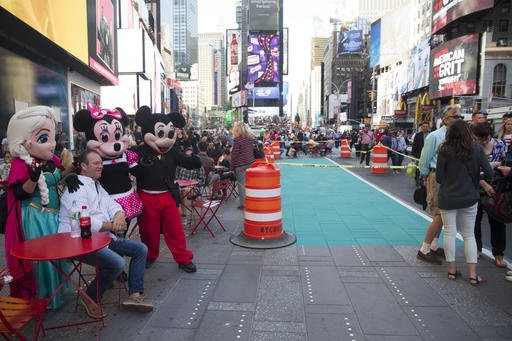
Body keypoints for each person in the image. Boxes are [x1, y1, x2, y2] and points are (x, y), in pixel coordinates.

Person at [59, 149, 153, 318]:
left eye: (101, 163)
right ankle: (90, 297)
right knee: (117, 263)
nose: (100, 166)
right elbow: (83, 221)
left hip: (102, 238)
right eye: (96, 163)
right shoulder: (77, 187)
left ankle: (135, 295)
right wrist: (112, 225)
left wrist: (119, 215)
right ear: (83, 166)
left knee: (141, 249)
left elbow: (112, 204)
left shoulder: (96, 184)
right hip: (79, 241)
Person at [4, 106, 73, 309]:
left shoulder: (52, 160)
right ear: (23, 141)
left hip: (54, 217)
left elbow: (58, 178)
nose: (51, 144)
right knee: (41, 260)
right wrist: (33, 178)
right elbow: (19, 194)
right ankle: (42, 298)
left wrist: (71, 175)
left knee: (57, 257)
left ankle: (55, 295)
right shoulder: (20, 164)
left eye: (51, 138)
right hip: (35, 217)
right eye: (44, 139)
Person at [436, 119, 493, 285]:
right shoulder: (477, 149)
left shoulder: (444, 149)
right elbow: (489, 173)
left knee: (449, 233)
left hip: (448, 196)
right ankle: (473, 275)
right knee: (469, 235)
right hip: (469, 197)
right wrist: (475, 178)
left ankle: (452, 270)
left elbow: (439, 177)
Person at [417, 105, 464, 264]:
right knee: (440, 213)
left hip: (452, 177)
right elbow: (424, 159)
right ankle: (424, 249)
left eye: (459, 117)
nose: (458, 119)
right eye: (454, 116)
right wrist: (424, 177)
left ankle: (434, 246)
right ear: (445, 119)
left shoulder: (457, 136)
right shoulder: (435, 136)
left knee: (443, 215)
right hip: (437, 176)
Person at [472, 123, 507, 267]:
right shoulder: (471, 147)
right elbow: (469, 170)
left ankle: (498, 254)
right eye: (481, 139)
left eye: (487, 138)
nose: (485, 142)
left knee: (498, 220)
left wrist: (496, 165)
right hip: (476, 186)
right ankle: (476, 249)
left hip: (497, 186)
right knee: (475, 219)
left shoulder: (499, 144)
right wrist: (483, 183)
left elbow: (506, 163)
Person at [231, 122, 256, 209]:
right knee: (249, 183)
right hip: (250, 163)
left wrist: (231, 167)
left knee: (241, 184)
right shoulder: (250, 139)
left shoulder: (237, 140)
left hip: (240, 165)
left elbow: (234, 154)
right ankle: (251, 200)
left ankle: (244, 204)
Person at [412, 121, 430, 186]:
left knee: (427, 168)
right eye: (424, 126)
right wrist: (413, 155)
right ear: (422, 127)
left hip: (428, 155)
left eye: (426, 126)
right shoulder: (418, 135)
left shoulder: (431, 135)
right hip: (418, 155)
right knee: (418, 168)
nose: (425, 128)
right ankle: (417, 180)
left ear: (428, 127)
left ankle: (425, 180)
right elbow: (414, 145)